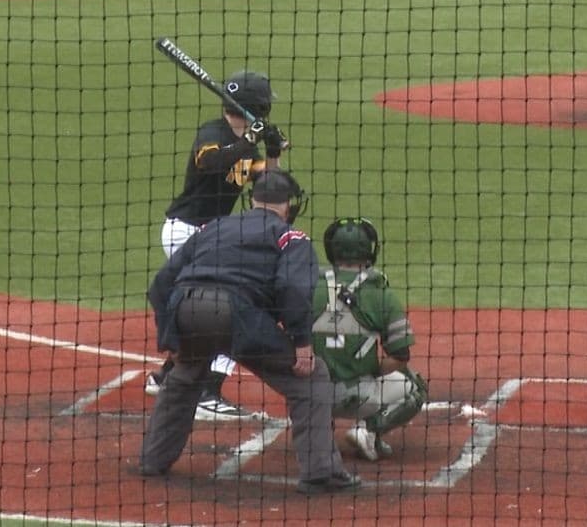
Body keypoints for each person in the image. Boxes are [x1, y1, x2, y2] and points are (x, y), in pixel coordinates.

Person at [139, 169, 360, 494]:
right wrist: (300, 343)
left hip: (185, 307)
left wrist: (170, 336)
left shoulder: (213, 227)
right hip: (235, 314)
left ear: (252, 199)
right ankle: (320, 473)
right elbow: (293, 290)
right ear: (289, 205)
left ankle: (152, 460)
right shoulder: (291, 238)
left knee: (185, 375)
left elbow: (161, 284)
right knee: (311, 380)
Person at [146, 71, 289, 421]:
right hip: (188, 231)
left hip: (208, 235)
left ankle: (166, 376)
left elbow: (268, 185)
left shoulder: (246, 143)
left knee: (213, 310)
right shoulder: (214, 133)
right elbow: (208, 161)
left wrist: (270, 149)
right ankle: (206, 391)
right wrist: (248, 141)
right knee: (230, 308)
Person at [311, 218, 427, 462]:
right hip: (352, 395)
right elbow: (400, 355)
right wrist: (369, 370)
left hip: (307, 394)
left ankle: (313, 430)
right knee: (413, 386)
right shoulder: (379, 294)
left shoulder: (309, 285)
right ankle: (368, 430)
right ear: (369, 250)